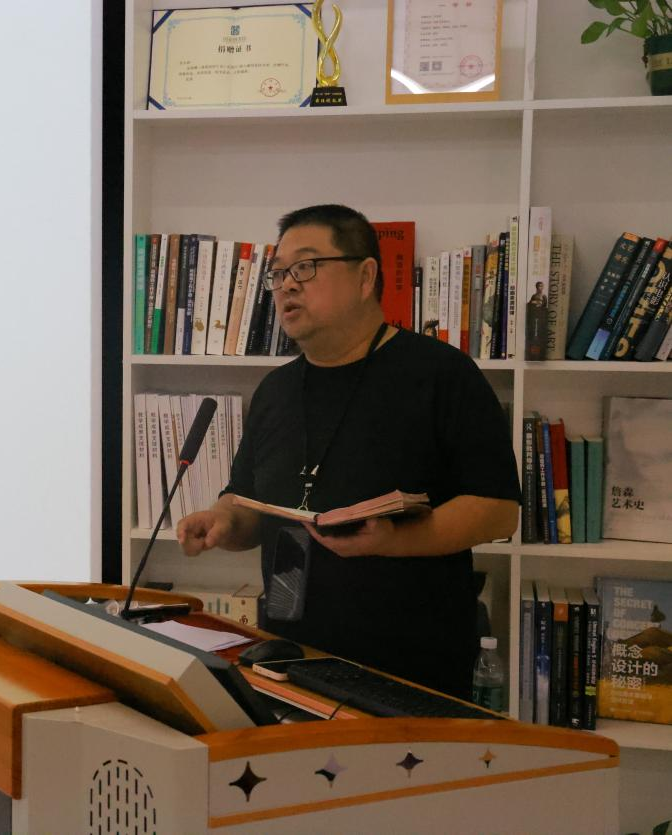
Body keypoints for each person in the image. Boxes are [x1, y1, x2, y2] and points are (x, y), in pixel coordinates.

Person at [176, 204, 520, 700]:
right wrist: (223, 521)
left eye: (305, 267)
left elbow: (498, 510)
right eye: (278, 273)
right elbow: (248, 500)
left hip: (412, 670)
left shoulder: (442, 375)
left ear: (365, 277)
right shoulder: (275, 390)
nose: (287, 285)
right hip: (288, 661)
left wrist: (394, 540)